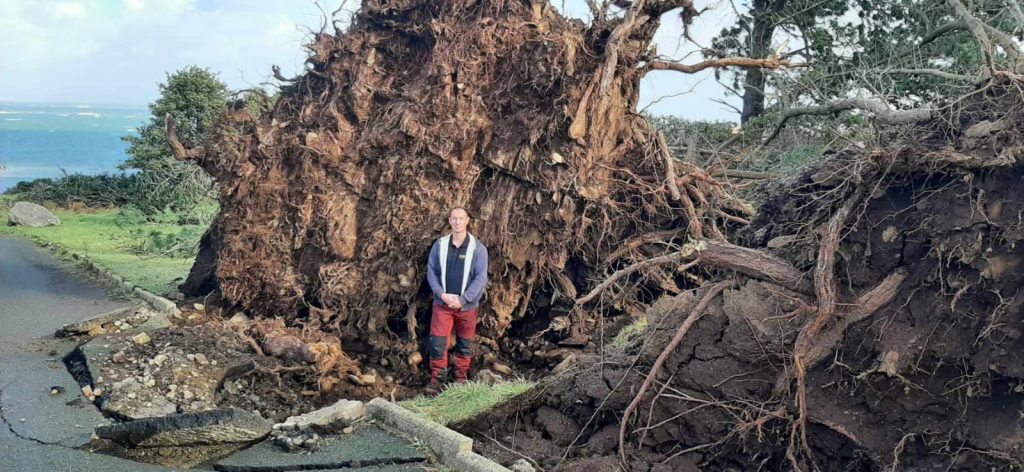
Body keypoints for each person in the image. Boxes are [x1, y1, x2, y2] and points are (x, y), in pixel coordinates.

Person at [424, 207, 489, 395]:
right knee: (437, 342)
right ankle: (438, 379)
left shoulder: (478, 249)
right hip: (442, 305)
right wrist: (441, 294)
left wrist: (463, 299)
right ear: (450, 221)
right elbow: (431, 272)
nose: (457, 222)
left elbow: (480, 278)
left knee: (465, 343)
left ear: (467, 220)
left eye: (461, 218)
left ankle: (460, 377)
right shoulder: (440, 245)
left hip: (467, 306)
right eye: (454, 218)